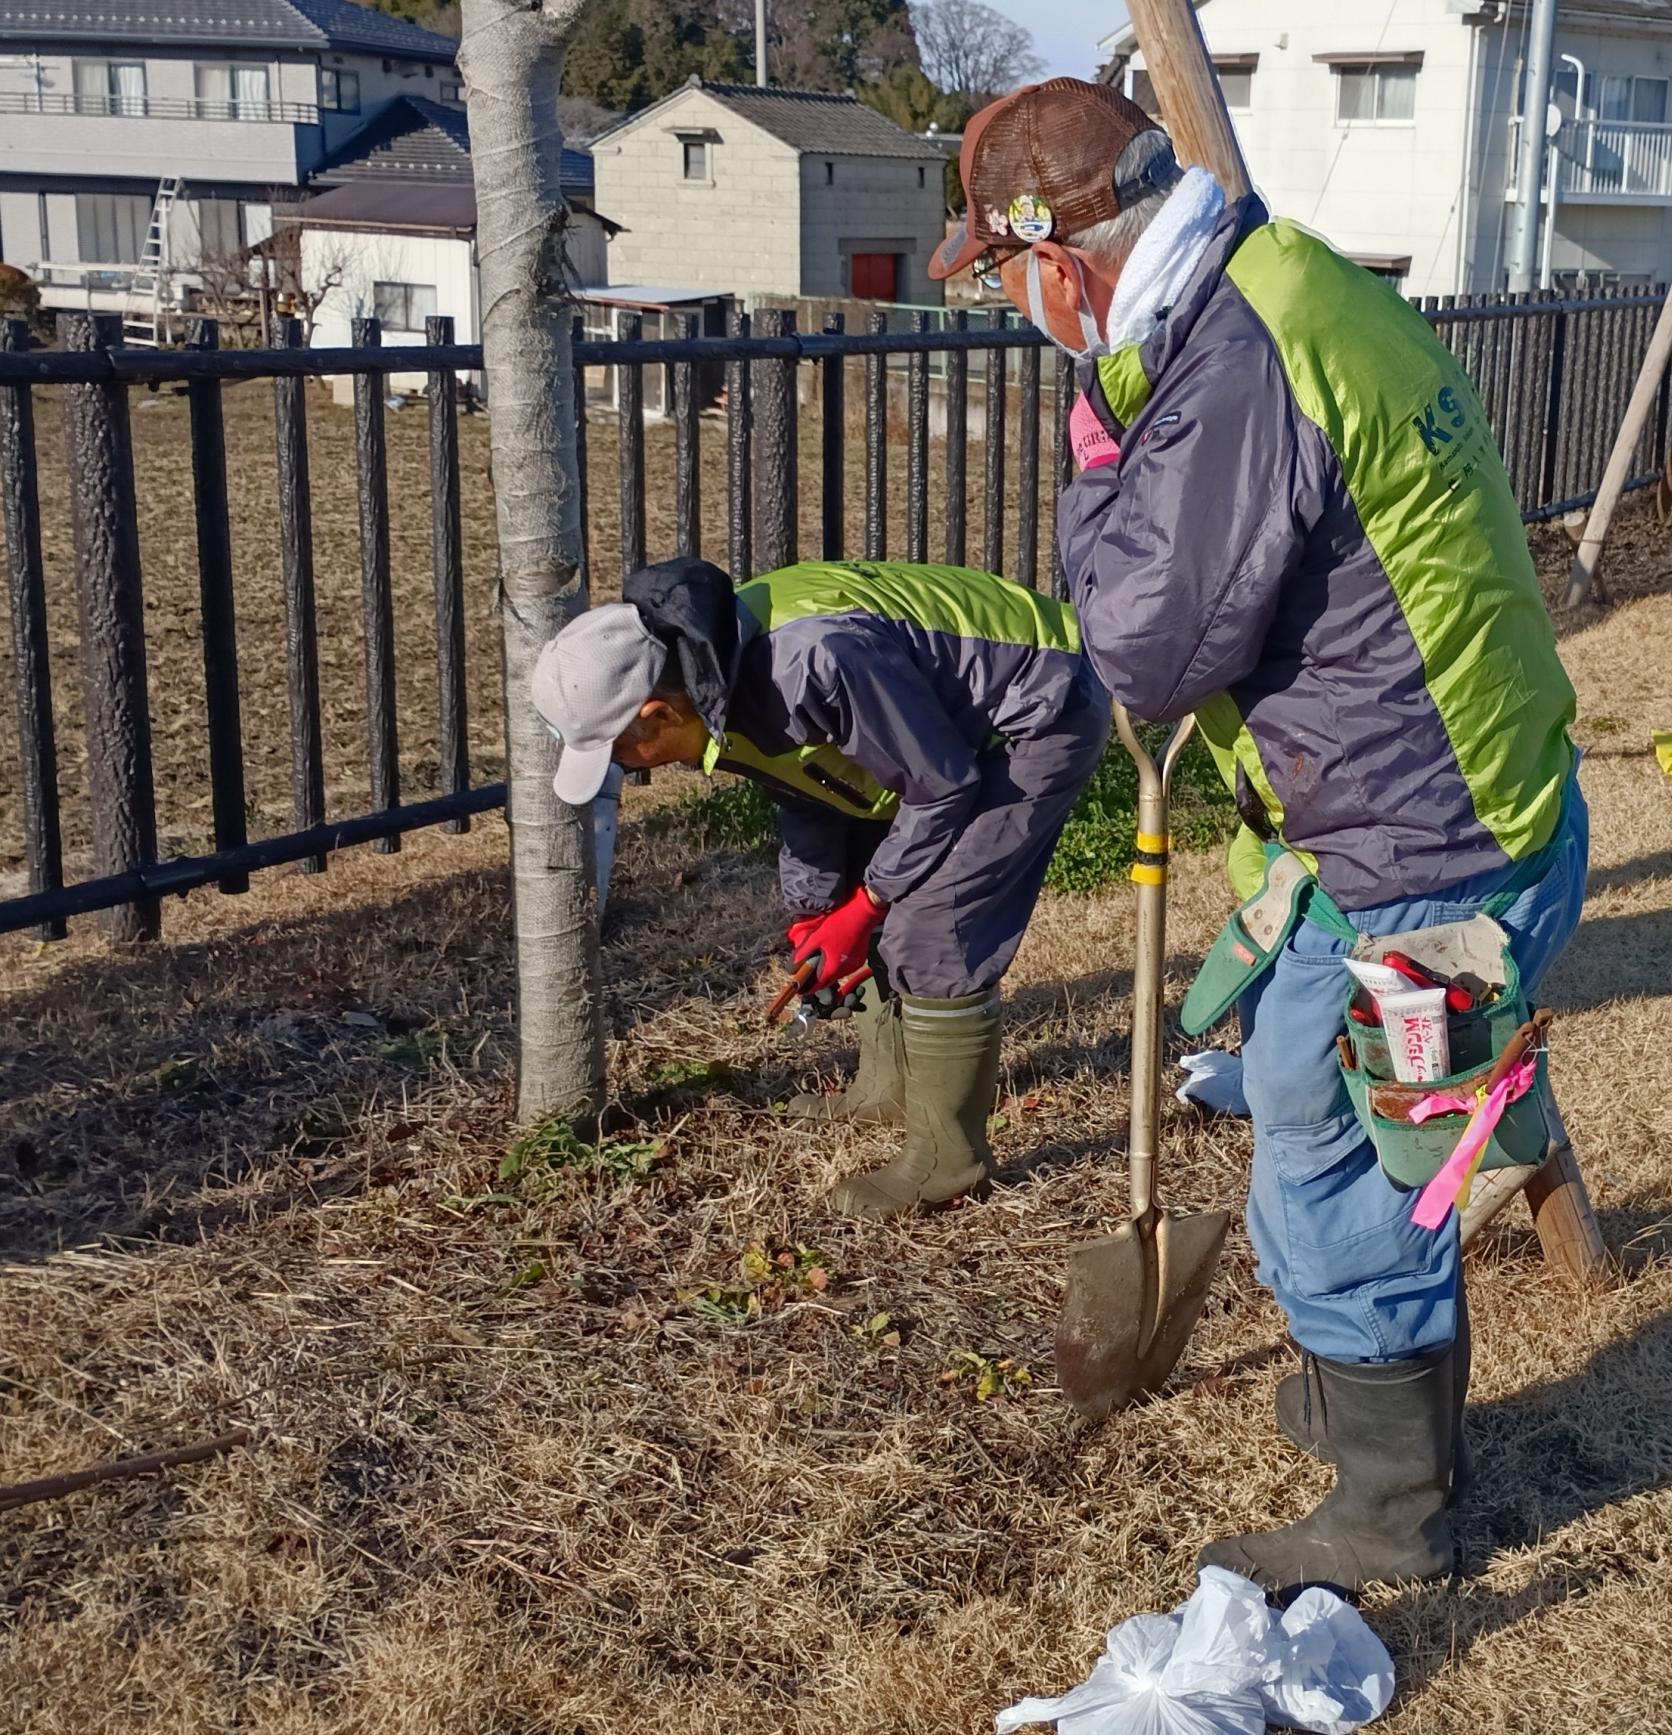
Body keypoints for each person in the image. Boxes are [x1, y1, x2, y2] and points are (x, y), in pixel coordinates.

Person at [933, 81, 1587, 1594]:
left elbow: (1145, 650)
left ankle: (1395, 1505)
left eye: (1008, 277)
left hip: (1423, 840)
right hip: (1428, 794)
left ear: (1062, 261)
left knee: (1351, 1159)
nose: (1017, 308)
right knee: (1304, 1096)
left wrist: (1099, 463)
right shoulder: (1282, 277)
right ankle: (1381, 1407)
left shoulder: (1232, 365)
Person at [530, 556, 1107, 1218]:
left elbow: (943, 787)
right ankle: (887, 1090)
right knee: (871, 888)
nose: (625, 769)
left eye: (618, 751)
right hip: (944, 733)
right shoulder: (712, 672)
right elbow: (807, 789)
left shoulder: (808, 662)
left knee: (934, 924)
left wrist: (869, 903)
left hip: (1038, 704)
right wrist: (818, 909)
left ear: (657, 713)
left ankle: (949, 1163)